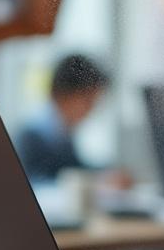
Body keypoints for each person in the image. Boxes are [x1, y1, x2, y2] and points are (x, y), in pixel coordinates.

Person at [14, 54, 108, 183]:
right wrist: (97, 180)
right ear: (65, 95)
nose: (91, 110)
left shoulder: (64, 132)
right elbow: (37, 182)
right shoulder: (30, 136)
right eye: (88, 101)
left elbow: (74, 168)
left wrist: (105, 174)